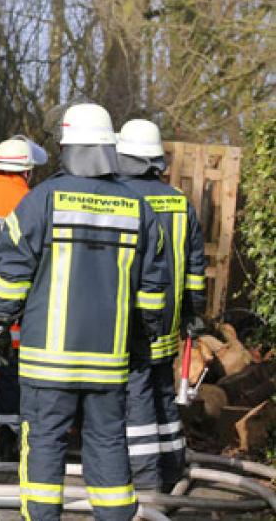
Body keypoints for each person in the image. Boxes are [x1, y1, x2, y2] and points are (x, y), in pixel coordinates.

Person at [0, 103, 168, 521]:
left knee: (45, 444)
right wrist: (143, 336)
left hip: (48, 362)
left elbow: (13, 271)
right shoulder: (138, 208)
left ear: (66, 146)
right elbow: (153, 286)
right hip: (108, 360)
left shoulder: (41, 201)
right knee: (107, 442)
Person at [116, 119, 206, 492]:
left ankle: (146, 480)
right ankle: (171, 468)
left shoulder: (121, 198)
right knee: (162, 395)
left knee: (135, 399)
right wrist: (193, 312)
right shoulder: (180, 202)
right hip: (169, 321)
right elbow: (196, 267)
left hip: (132, 321)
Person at [0, 136, 44, 461]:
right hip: (11, 306)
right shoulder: (32, 201)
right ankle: (9, 439)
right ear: (27, 171)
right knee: (12, 374)